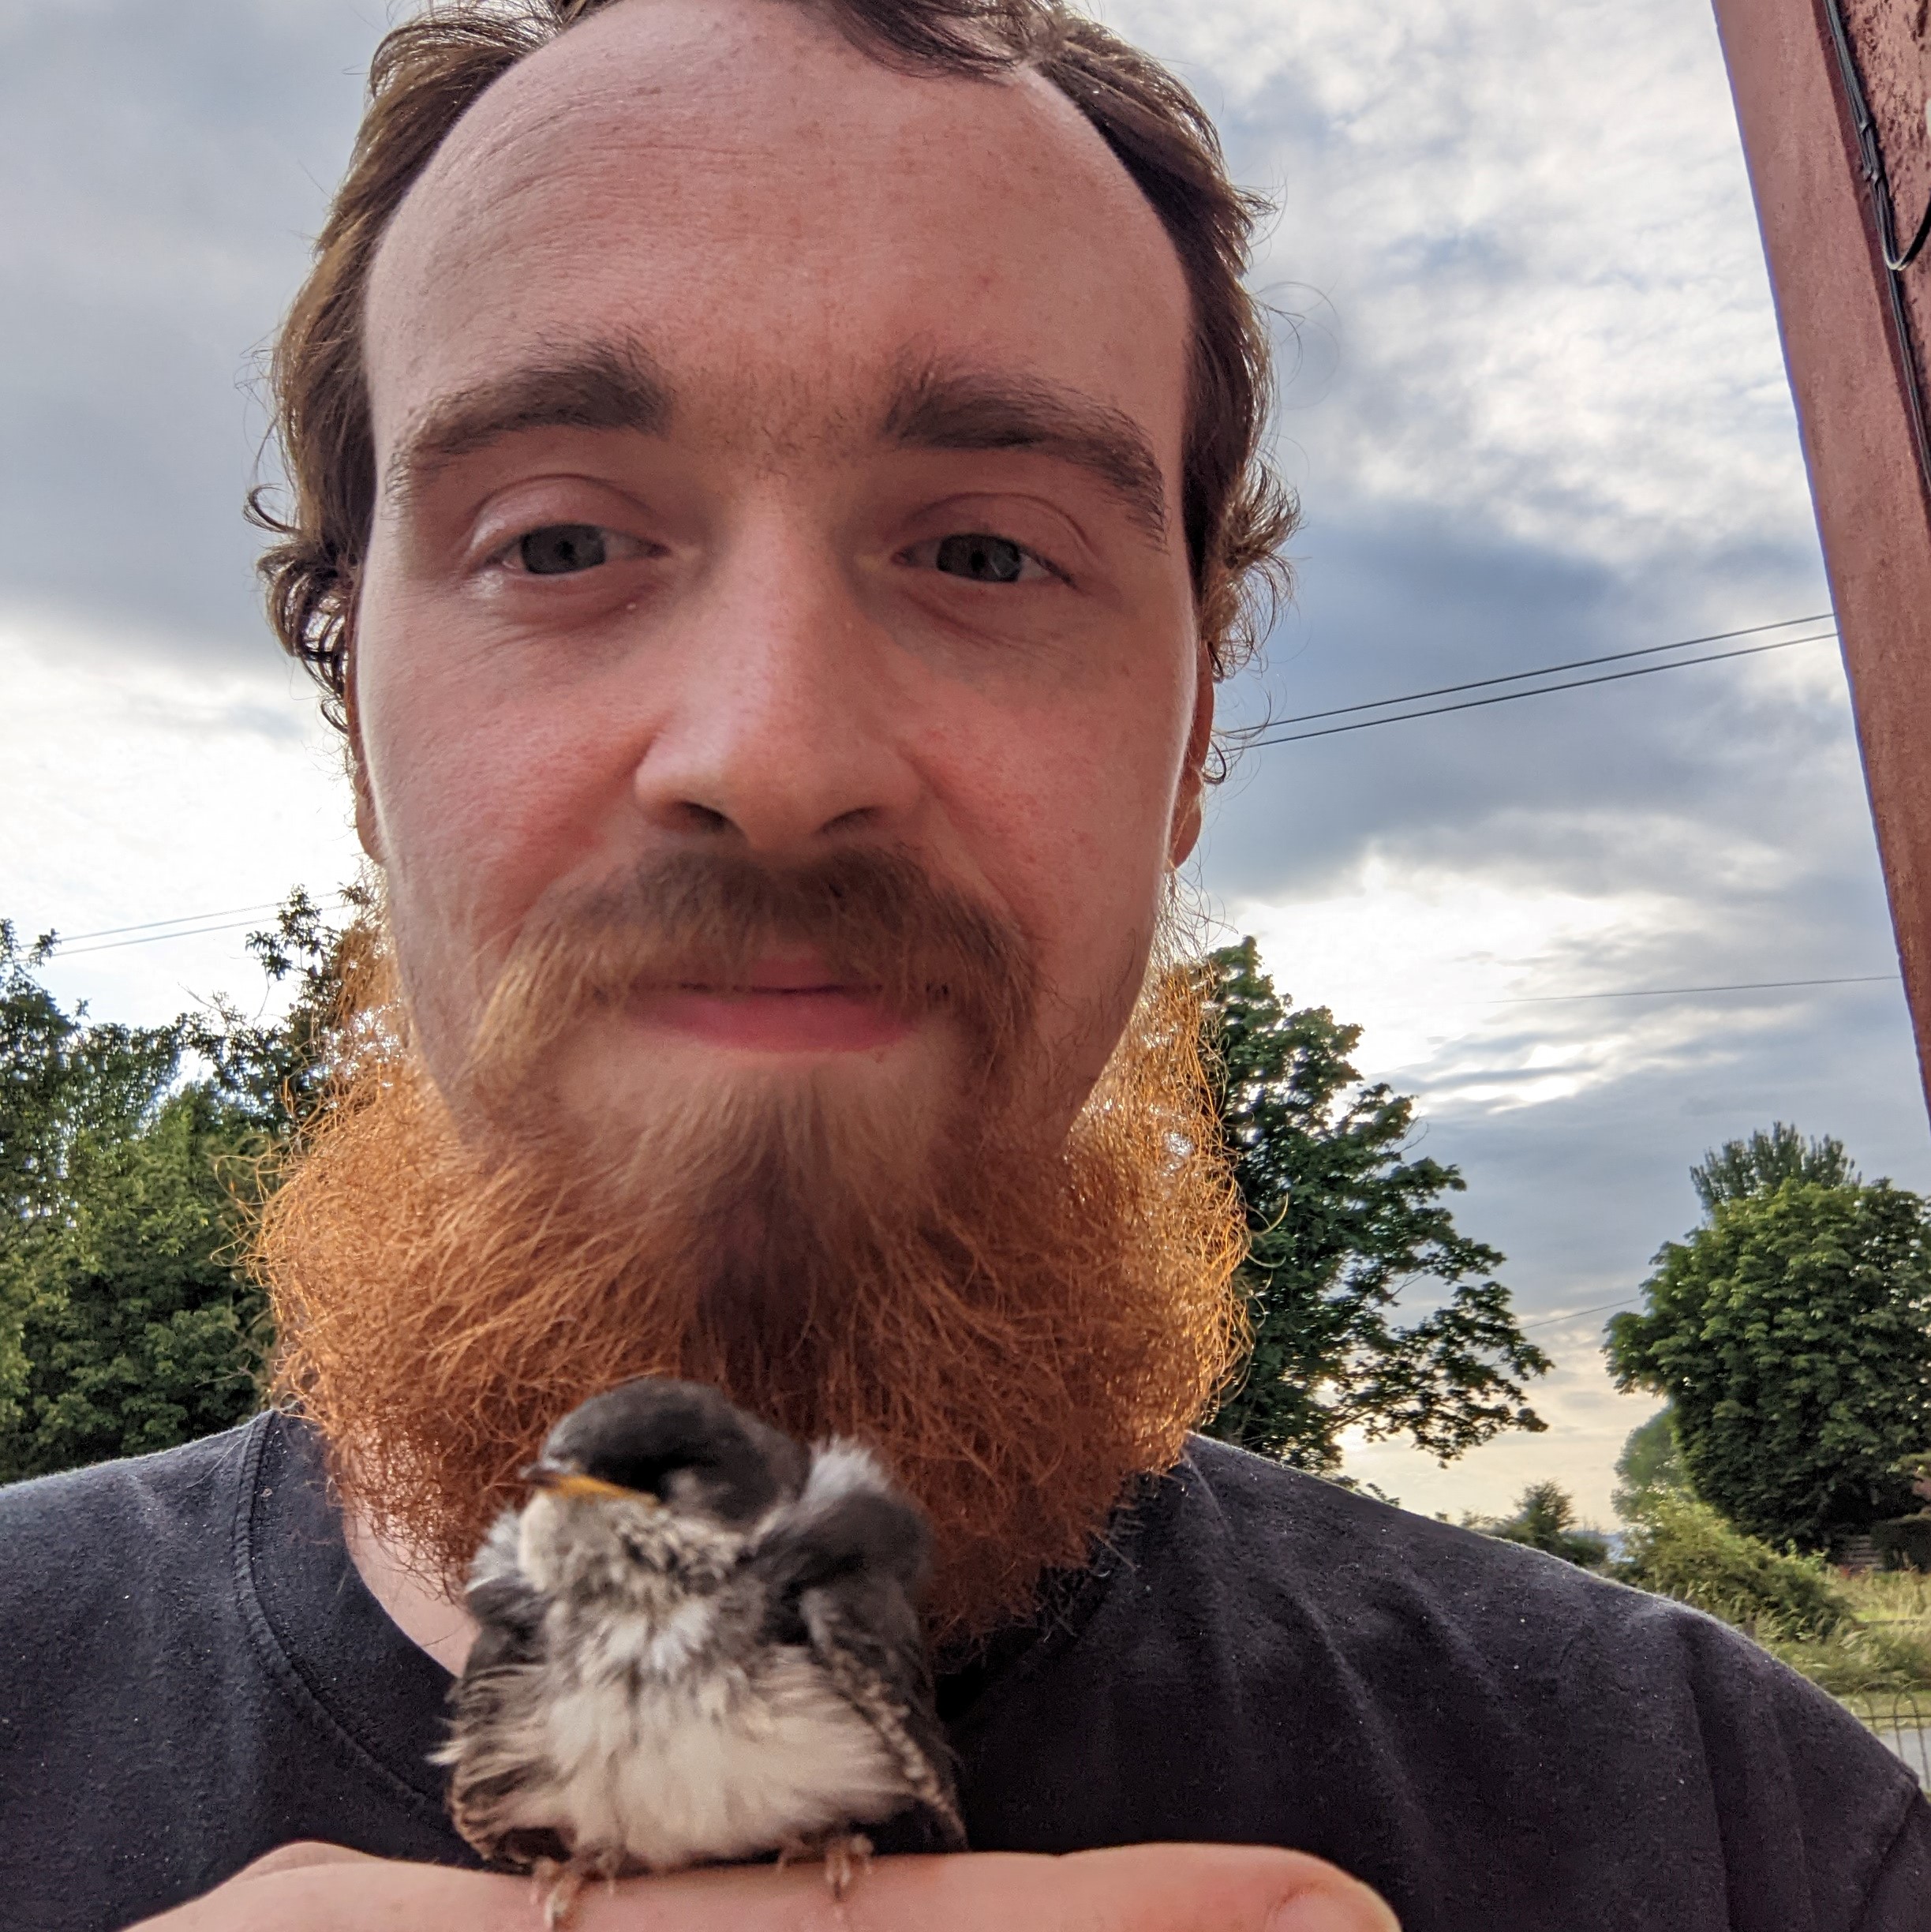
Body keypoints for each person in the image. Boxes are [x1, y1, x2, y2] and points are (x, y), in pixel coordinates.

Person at [1, 2, 1925, 1927]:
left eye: (989, 556)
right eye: (560, 537)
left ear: (1187, 747)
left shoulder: (1761, 1846)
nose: (771, 756)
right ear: (357, 734)